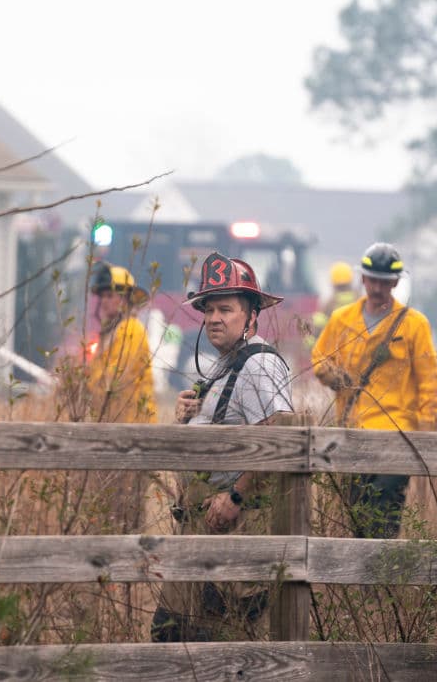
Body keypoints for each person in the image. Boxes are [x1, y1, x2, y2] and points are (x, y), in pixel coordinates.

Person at [151, 251, 293, 643]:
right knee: (170, 635)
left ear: (251, 315)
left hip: (234, 530)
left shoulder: (259, 365)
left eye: (226, 309)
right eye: (209, 309)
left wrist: (235, 496)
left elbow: (279, 435)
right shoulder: (225, 364)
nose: (214, 318)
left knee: (219, 643)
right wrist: (187, 419)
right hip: (201, 531)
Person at [310, 242, 437, 538]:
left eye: (384, 282)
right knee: (356, 517)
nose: (377, 288)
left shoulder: (414, 325)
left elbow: (431, 385)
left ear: (395, 282)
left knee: (383, 518)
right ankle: (363, 584)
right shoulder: (342, 319)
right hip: (351, 433)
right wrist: (333, 375)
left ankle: (379, 580)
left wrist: (425, 438)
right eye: (372, 280)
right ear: (362, 279)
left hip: (395, 436)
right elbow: (319, 358)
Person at [85, 262, 156, 423]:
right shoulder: (110, 333)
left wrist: (85, 384)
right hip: (115, 421)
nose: (104, 301)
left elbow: (116, 376)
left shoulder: (131, 329)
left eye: (110, 296)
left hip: (135, 424)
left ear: (125, 299)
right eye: (102, 296)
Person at [306, 261, 359, 347]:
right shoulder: (360, 300)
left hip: (334, 350)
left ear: (332, 282)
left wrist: (309, 344)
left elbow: (317, 329)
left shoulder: (329, 304)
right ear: (350, 280)